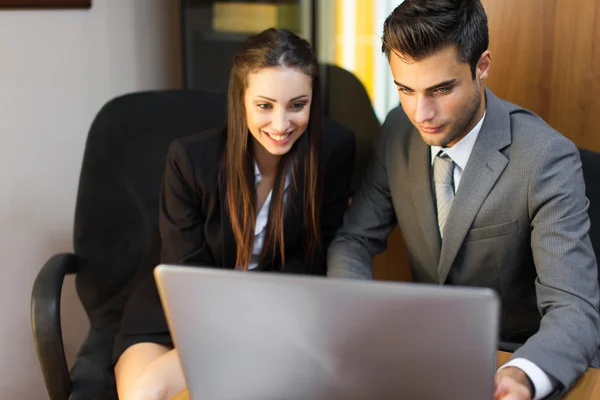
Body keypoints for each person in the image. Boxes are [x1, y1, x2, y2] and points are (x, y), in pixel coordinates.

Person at [327, 1, 600, 399]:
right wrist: (360, 318)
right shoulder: (397, 131)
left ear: (482, 66)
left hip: (511, 356)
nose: (422, 113)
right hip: (421, 359)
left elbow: (575, 309)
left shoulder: (546, 158)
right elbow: (354, 240)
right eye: (406, 89)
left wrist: (522, 375)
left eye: (441, 89)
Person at [113, 28, 355, 400]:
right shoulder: (190, 160)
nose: (281, 124)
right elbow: (186, 275)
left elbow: (314, 258)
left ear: (312, 101)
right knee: (144, 391)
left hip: (271, 320)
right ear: (240, 100)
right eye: (264, 105)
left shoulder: (333, 150)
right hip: (175, 319)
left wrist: (255, 329)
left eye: (297, 104)